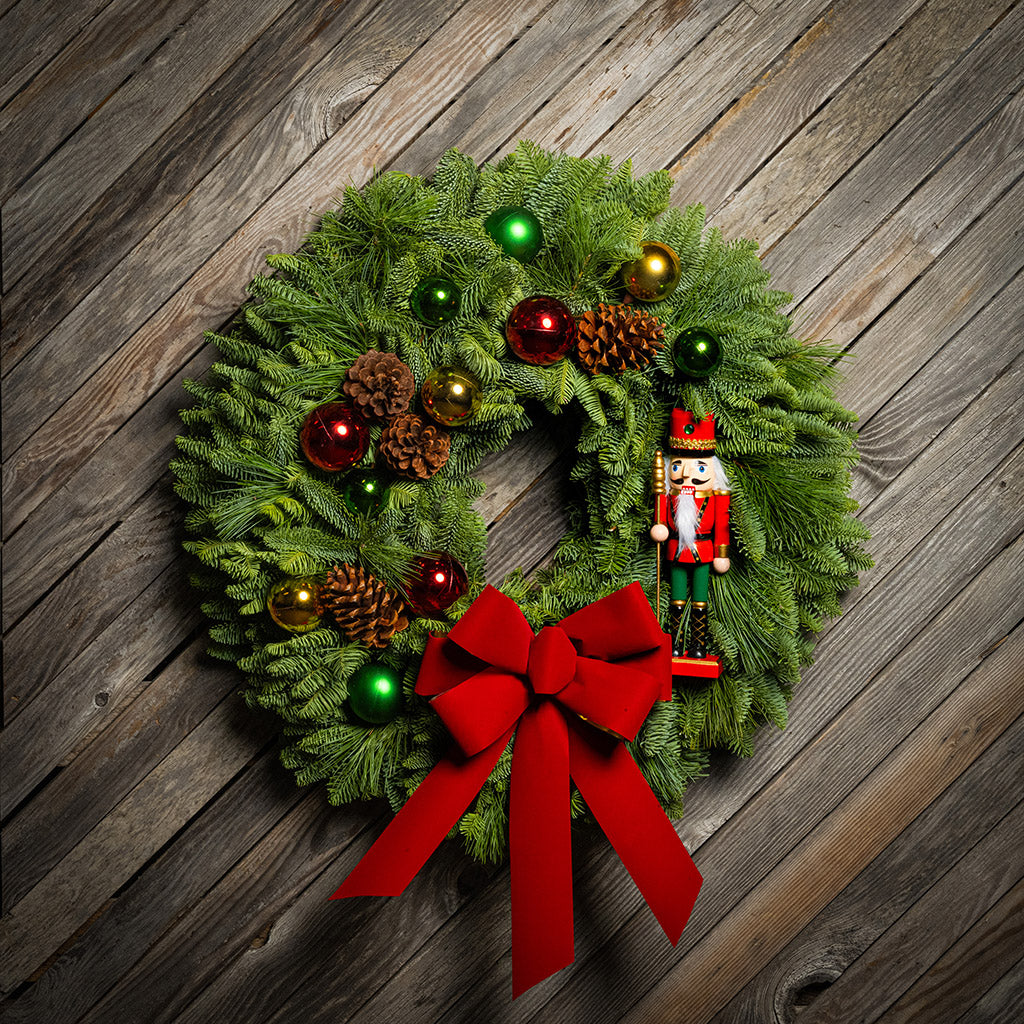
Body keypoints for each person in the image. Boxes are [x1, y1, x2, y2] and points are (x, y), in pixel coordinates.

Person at [650, 409, 731, 659]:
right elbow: (661, 517)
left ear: (713, 472)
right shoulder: (668, 495)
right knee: (676, 600)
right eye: (677, 465)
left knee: (699, 601)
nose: (687, 475)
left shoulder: (716, 498)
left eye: (699, 467)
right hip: (675, 551)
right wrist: (660, 526)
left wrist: (721, 554)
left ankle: (698, 645)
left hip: (704, 552)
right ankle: (675, 642)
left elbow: (722, 527)